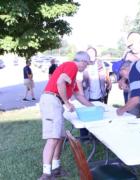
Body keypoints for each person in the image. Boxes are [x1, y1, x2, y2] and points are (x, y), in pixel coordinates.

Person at [38, 51, 93, 180]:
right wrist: (67, 103)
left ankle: (56, 169)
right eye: (87, 63)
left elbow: (79, 96)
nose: (86, 67)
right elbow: (60, 82)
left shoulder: (73, 77)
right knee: (53, 138)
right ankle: (46, 174)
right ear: (83, 61)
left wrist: (94, 107)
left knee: (60, 136)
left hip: (56, 102)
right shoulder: (71, 66)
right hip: (52, 100)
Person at [76, 47, 112, 141]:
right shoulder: (83, 64)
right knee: (86, 116)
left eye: (93, 53)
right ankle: (85, 138)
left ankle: (97, 137)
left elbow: (106, 74)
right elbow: (78, 81)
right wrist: (81, 95)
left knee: (98, 116)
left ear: (95, 54)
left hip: (100, 95)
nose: (91, 55)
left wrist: (109, 82)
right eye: (89, 53)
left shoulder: (100, 63)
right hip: (87, 95)